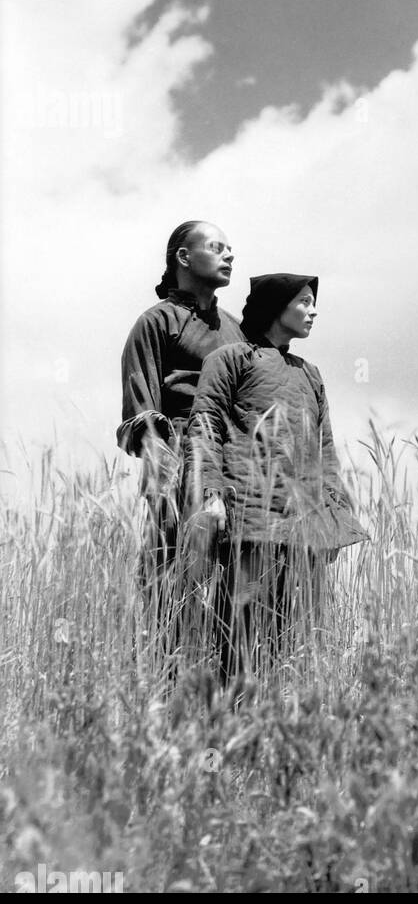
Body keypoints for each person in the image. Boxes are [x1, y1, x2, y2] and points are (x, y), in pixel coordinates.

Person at [184, 274, 367, 682]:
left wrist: (334, 521)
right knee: (242, 642)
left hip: (304, 531)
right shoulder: (230, 359)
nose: (313, 310)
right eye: (303, 301)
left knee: (301, 644)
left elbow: (326, 450)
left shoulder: (310, 374)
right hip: (251, 525)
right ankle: (237, 730)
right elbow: (205, 424)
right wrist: (210, 494)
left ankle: (287, 734)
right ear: (275, 305)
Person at [118, 221, 244, 660]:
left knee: (238, 583)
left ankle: (231, 685)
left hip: (234, 469)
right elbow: (143, 417)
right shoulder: (155, 323)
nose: (229, 255)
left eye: (231, 249)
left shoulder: (236, 330)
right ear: (183, 258)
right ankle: (164, 678)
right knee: (171, 580)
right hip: (179, 468)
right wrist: (169, 491)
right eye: (217, 247)